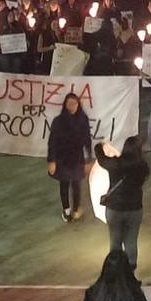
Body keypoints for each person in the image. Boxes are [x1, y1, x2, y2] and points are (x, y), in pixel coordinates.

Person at [95, 137, 150, 269]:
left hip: (114, 209)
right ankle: (131, 272)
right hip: (134, 208)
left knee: (115, 241)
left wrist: (99, 146)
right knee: (131, 241)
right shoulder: (143, 167)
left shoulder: (115, 164)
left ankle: (116, 271)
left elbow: (101, 159)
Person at [48, 93, 94, 222]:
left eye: (74, 103)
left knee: (76, 184)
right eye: (69, 104)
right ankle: (66, 209)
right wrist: (51, 160)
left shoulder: (83, 119)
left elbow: (87, 139)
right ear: (65, 105)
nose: (72, 106)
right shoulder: (58, 121)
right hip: (62, 158)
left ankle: (76, 209)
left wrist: (89, 158)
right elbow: (52, 142)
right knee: (64, 183)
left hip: (77, 157)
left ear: (78, 104)